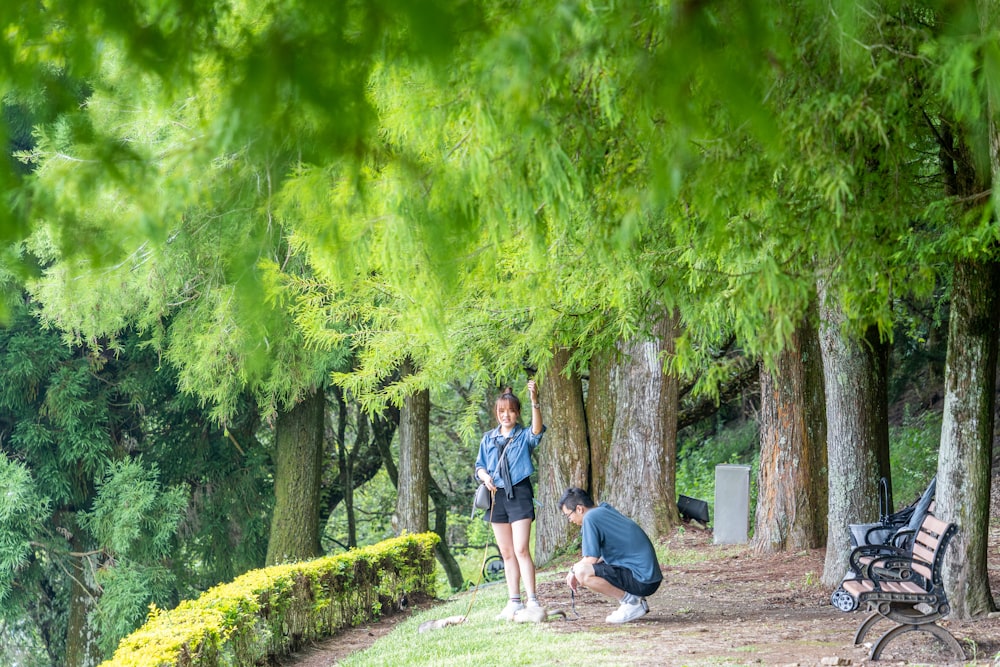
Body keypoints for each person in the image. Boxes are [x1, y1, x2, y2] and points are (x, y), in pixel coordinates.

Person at [474, 380, 545, 620]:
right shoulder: (488, 438)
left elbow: (537, 431)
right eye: (502, 412)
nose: (506, 415)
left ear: (517, 413)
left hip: (519, 493)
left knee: (521, 548)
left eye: (511, 411)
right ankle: (514, 601)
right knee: (506, 552)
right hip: (496, 496)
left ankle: (532, 600)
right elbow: (479, 466)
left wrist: (534, 400)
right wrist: (485, 478)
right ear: (497, 413)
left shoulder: (523, 436)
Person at [560, 486, 662, 624]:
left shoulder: (590, 518)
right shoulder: (603, 511)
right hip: (647, 577)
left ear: (579, 509)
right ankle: (632, 601)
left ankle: (631, 603)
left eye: (568, 515)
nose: (570, 520)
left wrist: (573, 570)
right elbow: (600, 557)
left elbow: (591, 559)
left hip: (642, 579)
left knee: (582, 573)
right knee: (582, 569)